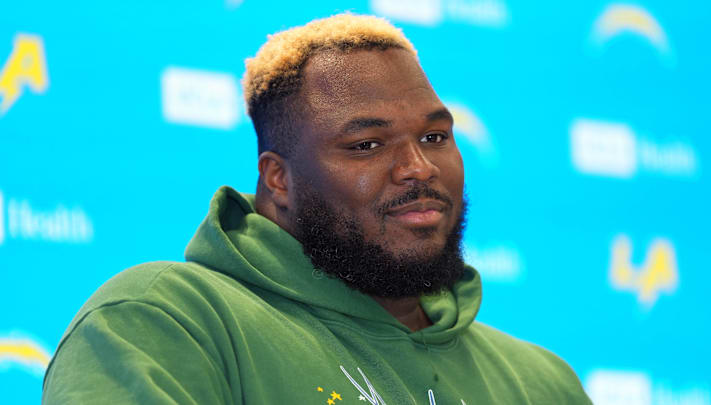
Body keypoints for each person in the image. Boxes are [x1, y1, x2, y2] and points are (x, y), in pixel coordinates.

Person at [43, 14, 592, 404]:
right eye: (366, 145)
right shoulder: (165, 322)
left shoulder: (543, 383)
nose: (419, 168)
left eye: (434, 137)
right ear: (278, 180)